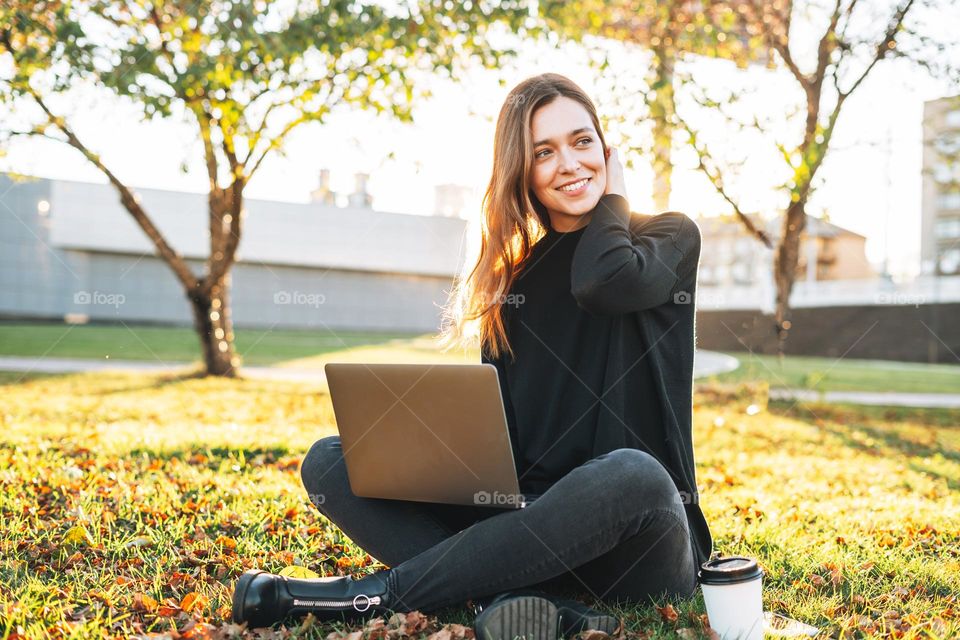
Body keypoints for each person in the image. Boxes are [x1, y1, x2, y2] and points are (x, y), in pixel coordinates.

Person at [231, 72, 713, 640]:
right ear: (522, 170)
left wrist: (613, 199)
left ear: (607, 149)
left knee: (633, 473)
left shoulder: (667, 236)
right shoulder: (513, 283)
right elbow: (502, 444)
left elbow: (603, 283)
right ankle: (523, 600)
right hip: (533, 529)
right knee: (331, 461)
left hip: (639, 538)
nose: (570, 163)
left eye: (583, 142)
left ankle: (371, 597)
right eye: (544, 152)